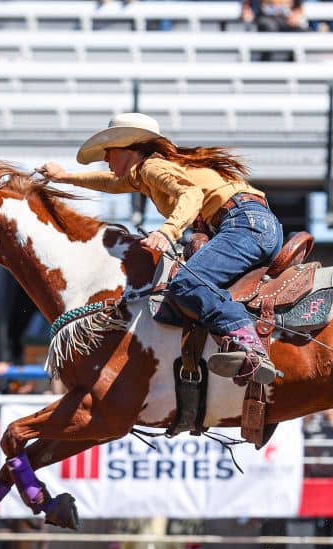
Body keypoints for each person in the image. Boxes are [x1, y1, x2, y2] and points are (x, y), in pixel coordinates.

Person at [38, 112, 284, 384]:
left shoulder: (152, 168)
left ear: (129, 148)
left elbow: (191, 194)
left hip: (243, 225)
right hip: (252, 224)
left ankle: (247, 345)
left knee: (187, 284)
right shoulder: (148, 171)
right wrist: (65, 178)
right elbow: (110, 183)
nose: (106, 159)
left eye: (109, 151)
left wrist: (168, 232)